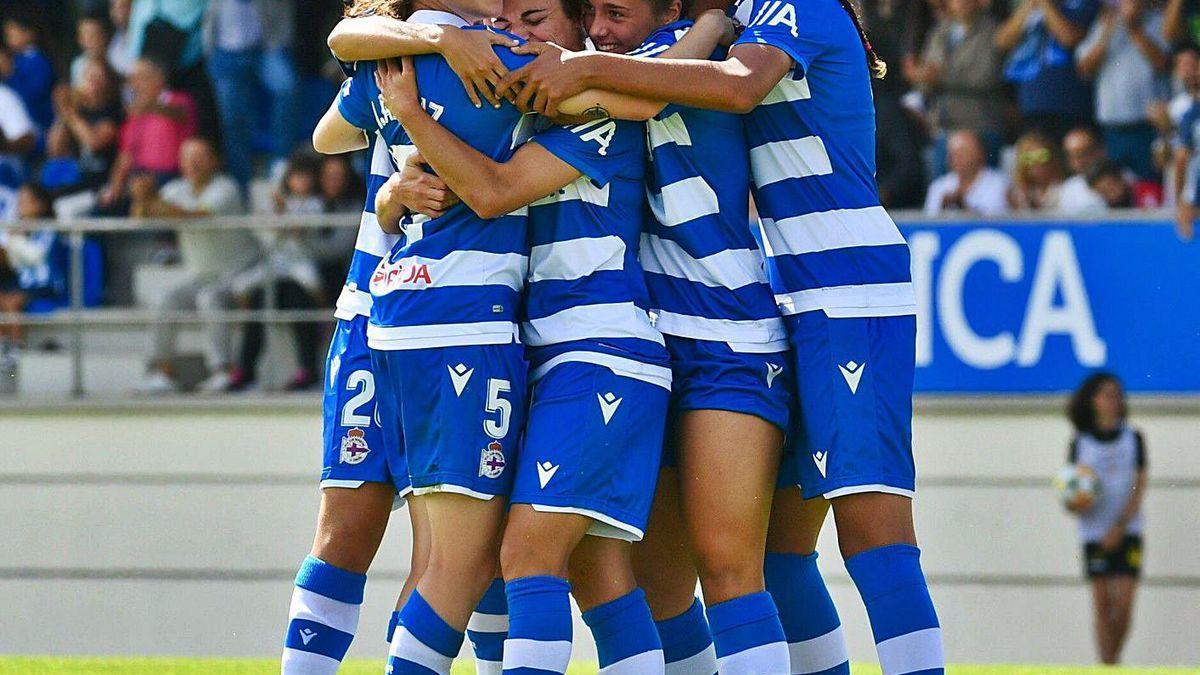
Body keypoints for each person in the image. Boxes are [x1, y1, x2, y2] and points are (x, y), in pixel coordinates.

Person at [494, 0, 947, 670]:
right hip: (758, 310)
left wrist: (590, 59)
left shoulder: (776, 15)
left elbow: (735, 85)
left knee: (869, 541)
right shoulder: (734, 23)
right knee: (770, 565)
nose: (598, 26)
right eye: (592, 13)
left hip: (834, 294)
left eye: (614, 11)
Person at [284, 1, 535, 672]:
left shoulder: (401, 57)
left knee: (427, 543)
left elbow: (329, 134)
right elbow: (330, 129)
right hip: (412, 313)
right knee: (423, 546)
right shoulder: (449, 52)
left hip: (418, 309)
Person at [133, 137, 254, 394]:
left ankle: (222, 371)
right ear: (180, 163)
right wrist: (142, 199)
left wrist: (152, 199)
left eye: (200, 157)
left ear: (215, 161)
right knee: (164, 299)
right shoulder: (176, 189)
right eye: (188, 158)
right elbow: (143, 216)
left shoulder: (226, 188)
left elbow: (196, 216)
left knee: (209, 299)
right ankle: (162, 371)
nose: (194, 163)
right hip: (201, 274)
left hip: (239, 271)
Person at [1065, 372, 1147, 666]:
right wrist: (1075, 503)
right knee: (1102, 604)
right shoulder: (1081, 443)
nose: (1113, 401)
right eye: (1106, 395)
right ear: (1092, 401)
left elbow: (1139, 486)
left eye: (1117, 395)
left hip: (1128, 531)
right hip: (1093, 533)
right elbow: (1072, 489)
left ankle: (1115, 659)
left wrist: (1120, 526)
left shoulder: (1133, 439)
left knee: (1124, 605)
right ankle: (1106, 665)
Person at [227, 153, 325, 393]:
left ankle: (310, 362)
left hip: (300, 265)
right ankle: (244, 369)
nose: (301, 182)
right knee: (244, 290)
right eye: (296, 177)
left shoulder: (315, 204)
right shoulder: (279, 204)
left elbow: (300, 229)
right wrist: (276, 214)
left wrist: (284, 215)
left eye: (306, 177)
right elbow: (266, 234)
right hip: (276, 266)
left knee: (312, 288)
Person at [204, 0, 301, 185]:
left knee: (287, 88)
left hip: (265, 47)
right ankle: (241, 181)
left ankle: (281, 161)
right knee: (233, 119)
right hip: (226, 53)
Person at [905, 0, 1005, 178]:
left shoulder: (993, 30)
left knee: (983, 193)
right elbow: (925, 77)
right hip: (943, 127)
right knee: (942, 191)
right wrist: (922, 77)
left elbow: (985, 77)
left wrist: (938, 76)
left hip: (980, 125)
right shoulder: (940, 31)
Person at [1076, 0, 1169, 179]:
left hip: (1149, 126)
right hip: (1113, 128)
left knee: (1150, 187)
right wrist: (1106, 33)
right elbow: (1084, 68)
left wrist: (1133, 28)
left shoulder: (1158, 21)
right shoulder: (1103, 23)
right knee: (1115, 191)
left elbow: (1162, 63)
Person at [99, 58, 198, 210]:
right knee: (101, 208)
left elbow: (179, 113)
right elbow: (125, 155)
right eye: (132, 80)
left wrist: (151, 106)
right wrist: (115, 185)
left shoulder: (178, 100)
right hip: (138, 177)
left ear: (159, 79)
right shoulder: (136, 113)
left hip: (170, 177)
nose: (134, 86)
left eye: (139, 79)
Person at [996, 0, 1100, 140]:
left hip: (1070, 105)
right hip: (1032, 105)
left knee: (1065, 159)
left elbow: (1068, 38)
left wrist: (1046, 5)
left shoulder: (1084, 4)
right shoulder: (1031, 6)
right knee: (1038, 158)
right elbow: (1002, 41)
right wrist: (1027, 8)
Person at [54, 60, 124, 191]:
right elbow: (55, 150)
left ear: (109, 82)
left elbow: (94, 142)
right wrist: (62, 113)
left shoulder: (113, 112)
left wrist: (69, 113)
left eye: (98, 77)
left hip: (102, 182)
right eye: (88, 76)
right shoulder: (79, 111)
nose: (92, 81)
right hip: (77, 178)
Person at [924, 129, 1010, 216]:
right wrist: (942, 209)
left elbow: (996, 224)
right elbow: (927, 224)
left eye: (961, 154)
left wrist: (963, 207)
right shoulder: (938, 187)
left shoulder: (999, 185)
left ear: (979, 154)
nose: (953, 159)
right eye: (951, 154)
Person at [0, 14, 55, 132]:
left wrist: (9, 74)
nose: (8, 39)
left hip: (41, 125)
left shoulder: (39, 61)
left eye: (12, 34)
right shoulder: (16, 60)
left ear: (29, 33)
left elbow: (34, 95)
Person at [1009, 130, 1068, 210]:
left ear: (1053, 158)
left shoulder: (1067, 189)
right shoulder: (1015, 194)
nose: (1036, 163)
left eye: (1042, 156)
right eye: (1029, 158)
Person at [1059, 126, 1110, 213]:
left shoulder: (1124, 179)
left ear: (1100, 150)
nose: (1078, 160)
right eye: (1072, 155)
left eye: (1083, 153)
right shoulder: (1068, 188)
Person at [1085, 157, 1163, 208]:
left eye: (1110, 187)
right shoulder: (1104, 206)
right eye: (1104, 192)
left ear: (1120, 178)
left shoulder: (1148, 192)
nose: (1111, 195)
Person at [70, 13, 115, 87]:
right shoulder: (78, 65)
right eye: (86, 37)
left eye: (95, 35)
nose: (92, 41)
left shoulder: (116, 57)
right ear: (80, 40)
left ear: (105, 35)